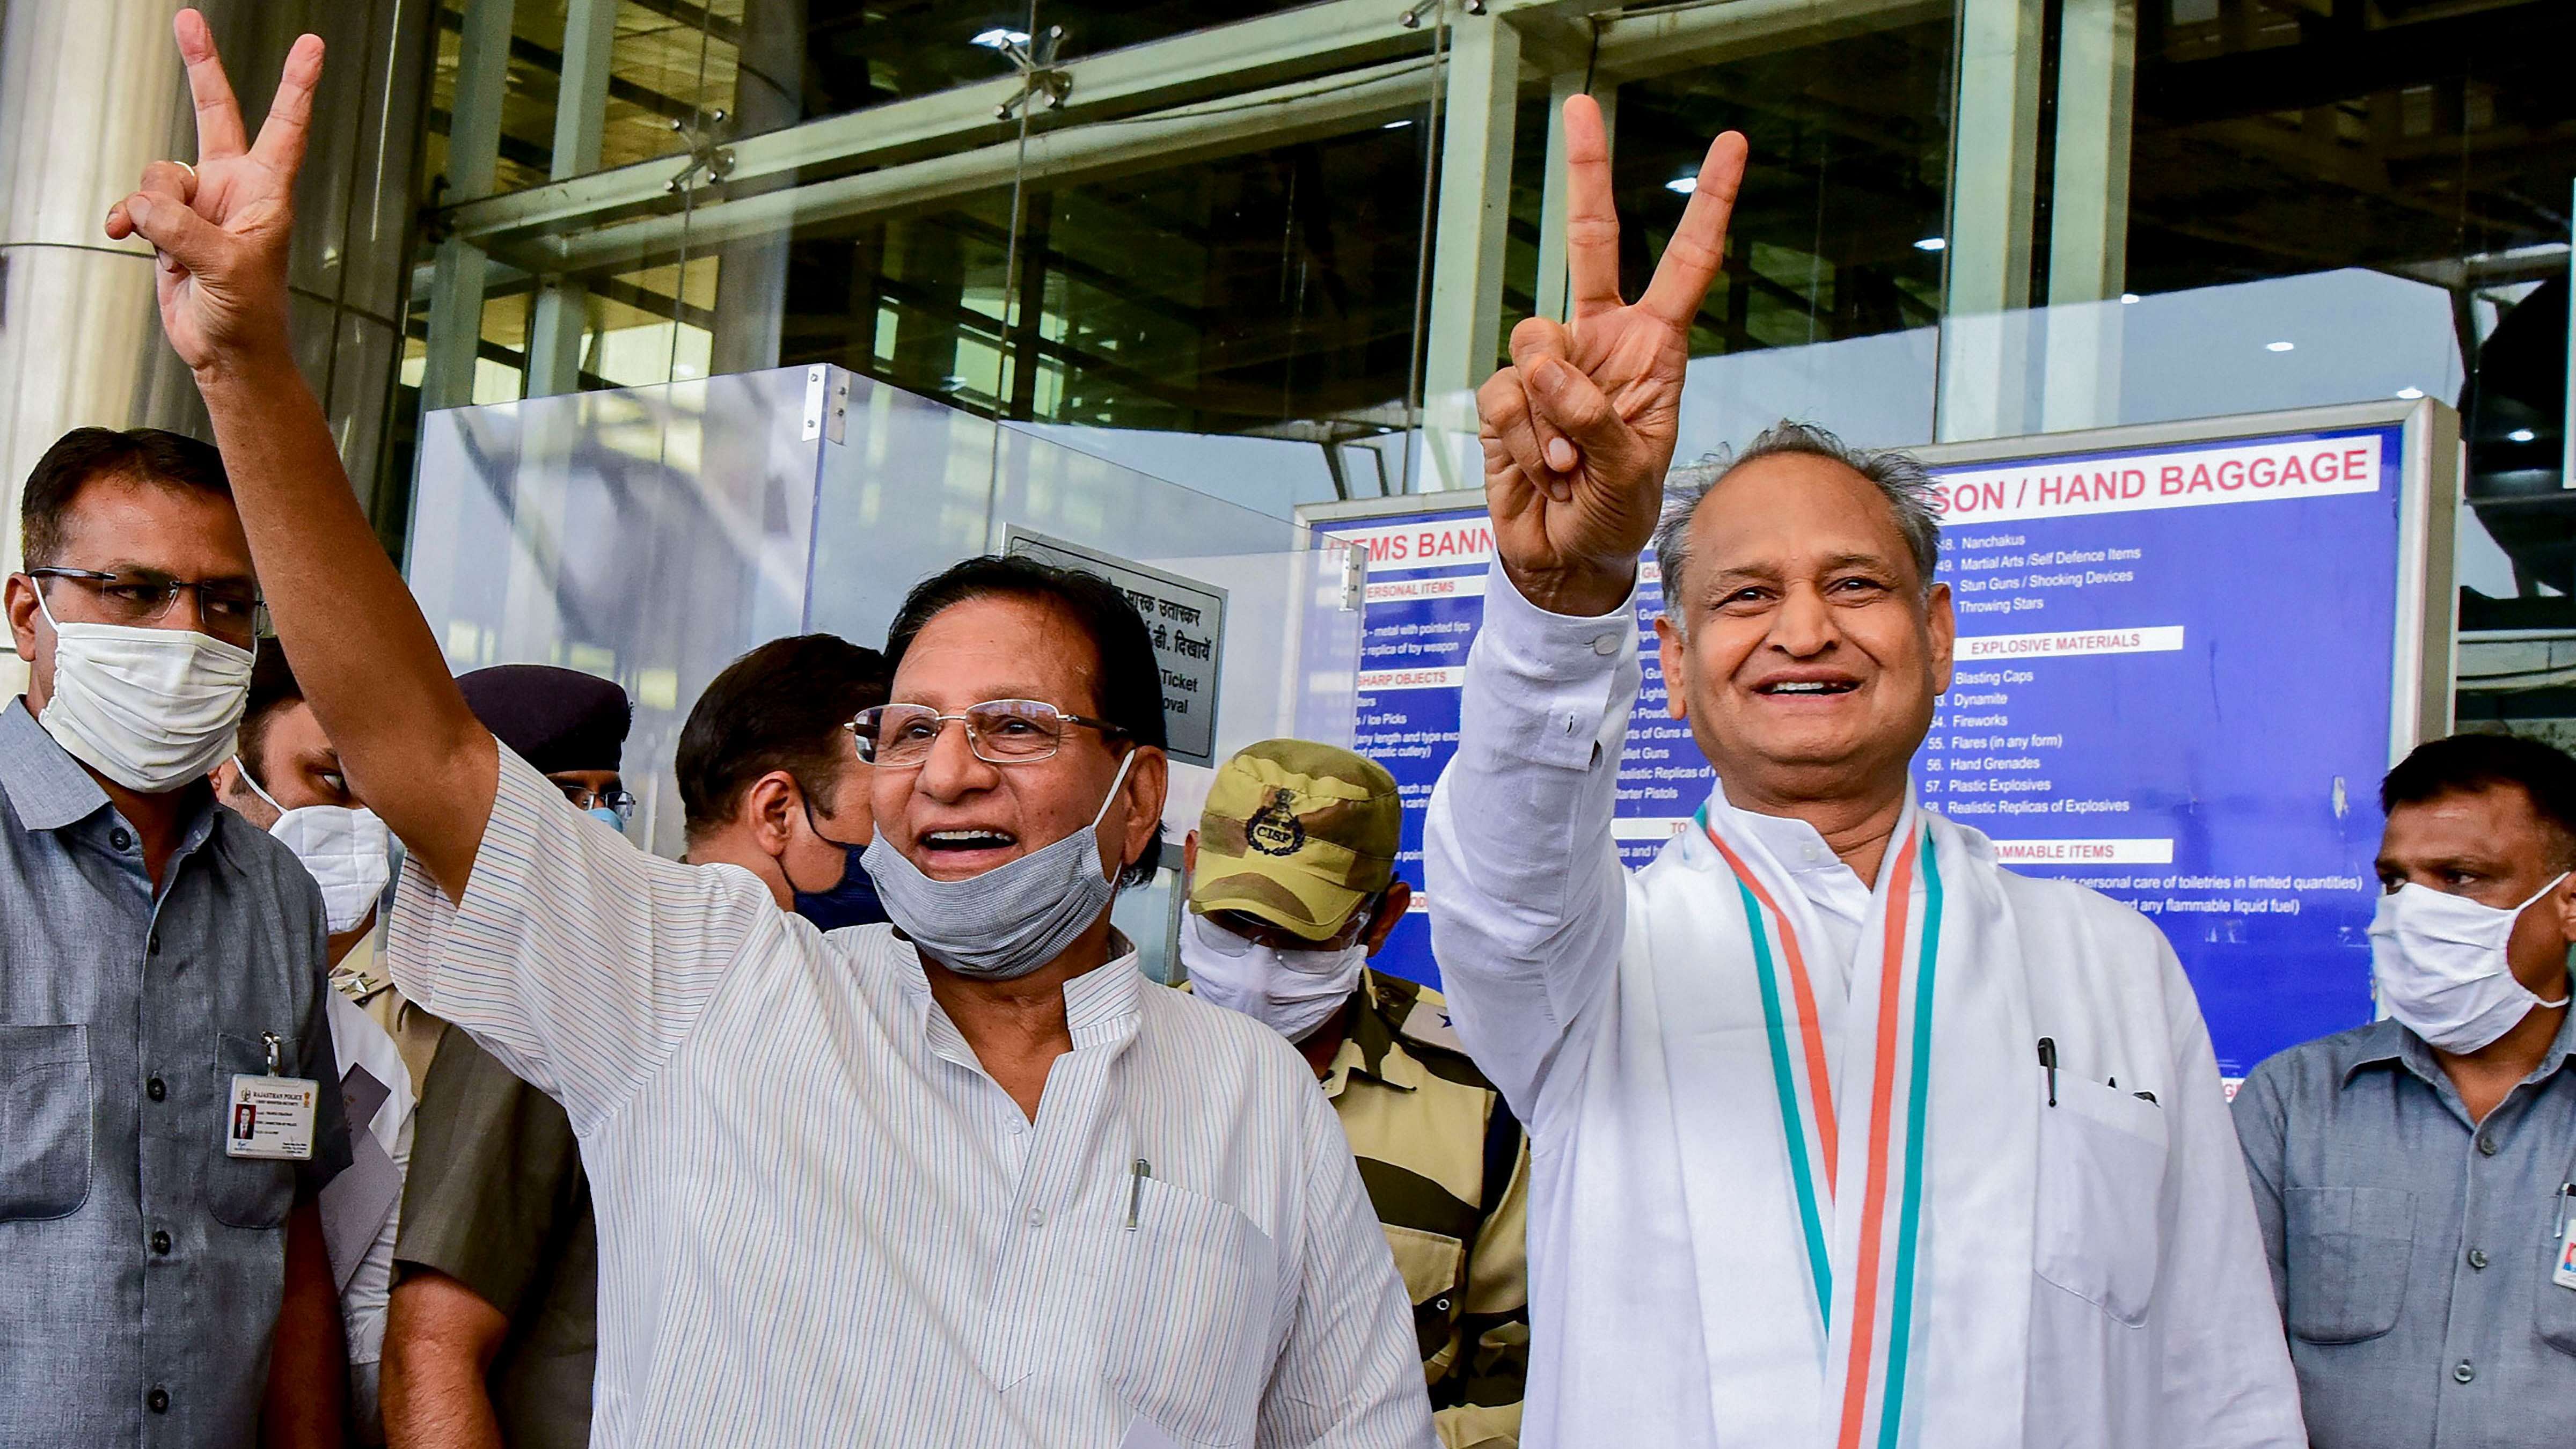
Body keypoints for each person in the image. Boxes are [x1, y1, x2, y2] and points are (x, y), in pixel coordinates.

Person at [109, 17, 1431, 1445]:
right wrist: (248, 363)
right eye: (907, 726)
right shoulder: (710, 988)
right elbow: (417, 749)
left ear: (1136, 792)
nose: (947, 766)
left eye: (1014, 723)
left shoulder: (1252, 1106)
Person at [1421, 95, 2304, 1447]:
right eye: (1747, 596)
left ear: (1938, 636)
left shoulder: (2112, 970)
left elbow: (2221, 1384)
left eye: (1855, 584)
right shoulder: (1590, 964)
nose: (1805, 630)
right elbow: (1505, 868)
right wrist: (1566, 591)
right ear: (1668, 659)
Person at [383, 638, 881, 1449]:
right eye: (882, 806)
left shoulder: (847, 1017)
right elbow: (433, 1350)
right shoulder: (588, 980)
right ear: (779, 811)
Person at [1, 423, 350, 1448]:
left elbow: (288, 1233)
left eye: (225, 602)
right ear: (31, 613)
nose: (186, 635)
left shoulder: (279, 898)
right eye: (134, 590)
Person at [1180, 740, 1530, 1449]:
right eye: (1230, 924)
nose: (1256, 971)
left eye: (1299, 939)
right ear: (1191, 866)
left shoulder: (1479, 1099)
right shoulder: (1101, 1059)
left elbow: (1527, 1382)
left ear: (1384, 917)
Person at [2234, 733, 2576, 1449]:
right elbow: (2224, 1371)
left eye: (2461, 878)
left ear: (2568, 904)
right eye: (2396, 881)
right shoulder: (2294, 1103)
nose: (2414, 912)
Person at [380, 662, 633, 1449]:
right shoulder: (528, 1011)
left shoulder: (608, 980)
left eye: (606, 797)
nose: (592, 823)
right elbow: (429, 1351)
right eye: (564, 797)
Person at [215, 648, 413, 1445]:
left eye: (376, 798)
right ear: (224, 781)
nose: (361, 827)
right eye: (330, 783)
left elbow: (360, 1317)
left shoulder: (369, 1063)